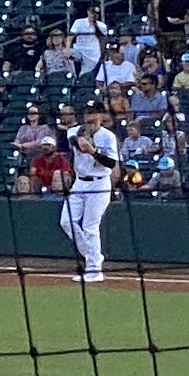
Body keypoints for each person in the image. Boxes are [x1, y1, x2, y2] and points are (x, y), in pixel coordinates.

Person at [59, 101, 122, 284]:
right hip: (80, 182)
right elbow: (74, 140)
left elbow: (111, 163)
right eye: (87, 112)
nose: (90, 116)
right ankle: (92, 256)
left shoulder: (108, 136)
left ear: (102, 115)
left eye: (94, 112)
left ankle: (95, 270)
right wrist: (81, 142)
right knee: (66, 221)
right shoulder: (75, 130)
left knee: (90, 226)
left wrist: (94, 152)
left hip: (100, 184)